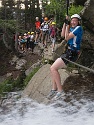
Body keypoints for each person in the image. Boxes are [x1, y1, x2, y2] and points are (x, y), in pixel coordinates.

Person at [47, 14, 83, 100]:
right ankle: (54, 89)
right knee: (53, 68)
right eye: (72, 20)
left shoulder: (78, 28)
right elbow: (63, 35)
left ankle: (60, 91)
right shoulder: (72, 28)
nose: (73, 22)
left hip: (72, 53)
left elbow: (66, 38)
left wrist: (67, 26)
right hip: (69, 52)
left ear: (78, 22)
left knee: (53, 68)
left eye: (75, 20)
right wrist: (65, 23)